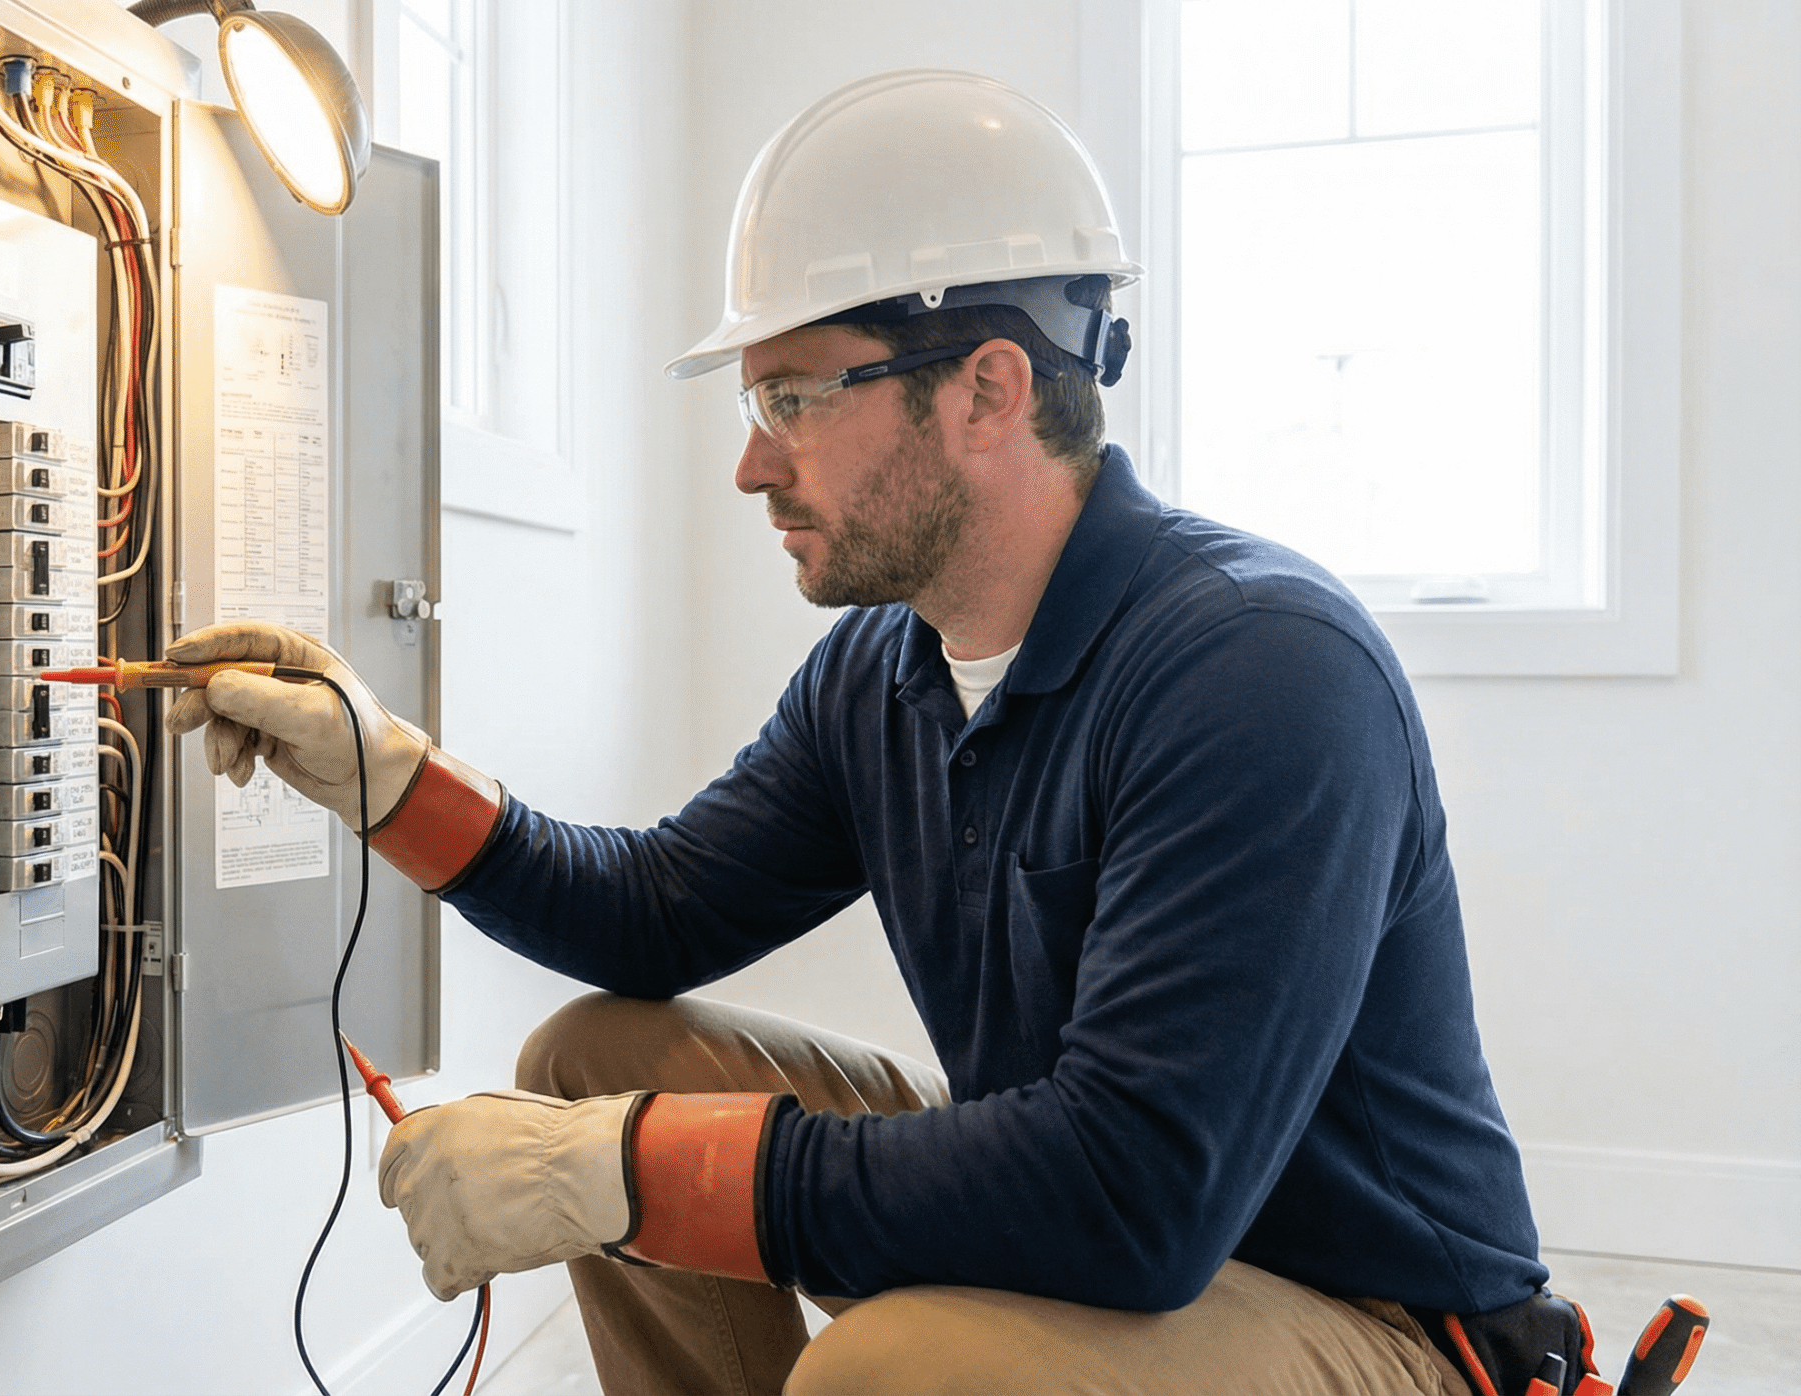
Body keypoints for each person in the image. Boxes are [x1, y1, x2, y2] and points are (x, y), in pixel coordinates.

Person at [166, 71, 1591, 1396]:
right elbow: (658, 915)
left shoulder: (1260, 671)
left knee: (896, 1366)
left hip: (1378, 1323)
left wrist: (626, 1175)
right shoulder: (884, 672)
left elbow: (1136, 1198)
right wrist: (386, 774)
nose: (748, 463)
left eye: (792, 398)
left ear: (987, 389)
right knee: (596, 1057)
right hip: (1140, 1214)